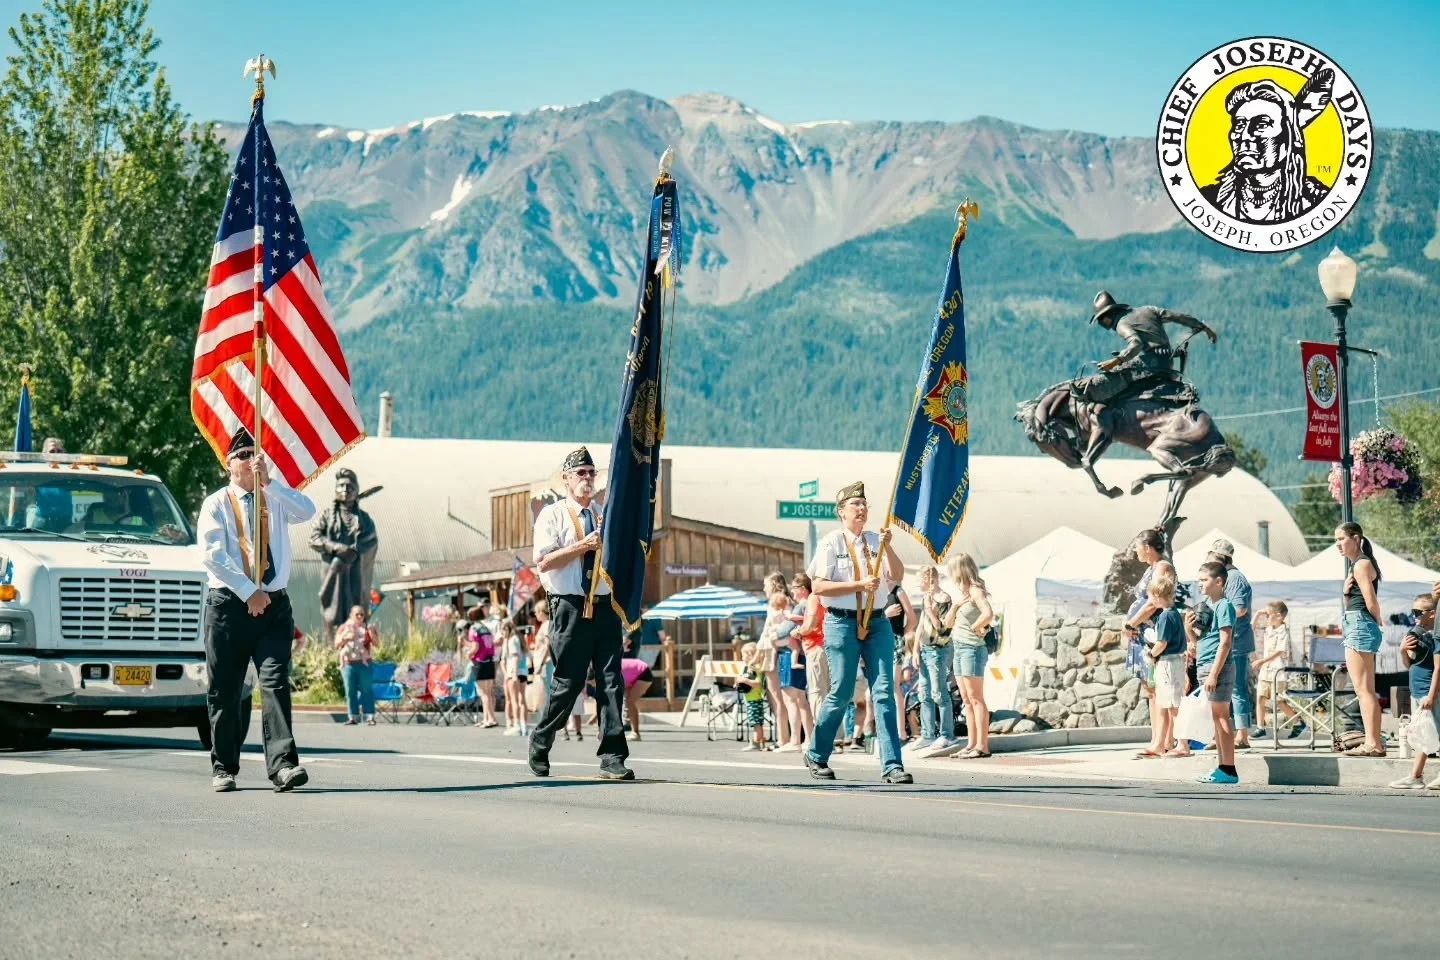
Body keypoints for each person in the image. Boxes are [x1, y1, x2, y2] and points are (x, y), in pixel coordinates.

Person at [197, 427, 317, 793]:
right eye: (243, 455)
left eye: (255, 454)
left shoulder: (274, 498)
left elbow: (307, 510)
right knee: (226, 689)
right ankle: (224, 766)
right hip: (230, 605)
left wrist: (272, 483)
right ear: (228, 464)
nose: (251, 461)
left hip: (274, 606)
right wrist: (249, 591)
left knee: (275, 683)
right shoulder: (216, 503)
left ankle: (283, 766)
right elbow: (212, 556)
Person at [528, 447, 631, 780]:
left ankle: (613, 755)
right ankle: (542, 739)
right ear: (566, 479)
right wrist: (583, 546)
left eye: (591, 473)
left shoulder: (606, 514)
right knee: (568, 683)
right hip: (569, 605)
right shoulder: (553, 515)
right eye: (580, 473)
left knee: (611, 681)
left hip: (603, 605)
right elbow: (544, 562)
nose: (587, 479)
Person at [803, 482, 911, 784]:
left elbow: (897, 576)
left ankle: (892, 764)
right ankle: (816, 754)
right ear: (842, 512)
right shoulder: (831, 543)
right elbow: (819, 586)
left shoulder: (876, 540)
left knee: (884, 691)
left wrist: (888, 546)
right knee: (840, 691)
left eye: (864, 504)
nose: (861, 509)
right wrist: (858, 586)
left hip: (877, 622)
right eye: (855, 505)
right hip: (841, 622)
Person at [1122, 528, 1177, 758]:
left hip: (1153, 632)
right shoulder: (1152, 569)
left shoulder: (1163, 567)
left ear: (1147, 547)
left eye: (1137, 547)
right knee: (1151, 689)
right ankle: (1157, 738)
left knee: (1158, 688)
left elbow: (1154, 601)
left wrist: (1131, 623)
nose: (1135, 552)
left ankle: (1163, 740)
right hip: (1144, 632)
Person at [1185, 561, 1239, 784]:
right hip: (1205, 665)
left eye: (1204, 580)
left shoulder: (1224, 606)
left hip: (1219, 668)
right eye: (1199, 580)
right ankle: (1222, 767)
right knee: (1216, 718)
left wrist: (1214, 674)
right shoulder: (1207, 606)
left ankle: (1228, 768)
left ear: (1219, 582)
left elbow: (1225, 642)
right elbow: (1203, 642)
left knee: (1221, 716)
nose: (1200, 584)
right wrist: (1189, 632)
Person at [1335, 521, 1386, 757]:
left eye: (1341, 539)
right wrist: (1346, 593)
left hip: (1360, 623)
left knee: (1363, 690)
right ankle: (1373, 742)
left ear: (1356, 538)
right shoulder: (1358, 565)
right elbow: (1356, 601)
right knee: (1366, 689)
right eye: (1336, 540)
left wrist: (1378, 619)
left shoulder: (1361, 564)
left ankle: (1372, 743)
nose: (1338, 545)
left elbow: (1370, 599)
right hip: (1357, 622)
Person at [1206, 539, 1257, 750]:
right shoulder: (1227, 577)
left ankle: (1242, 735)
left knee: (1236, 689)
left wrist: (1217, 619)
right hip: (1228, 641)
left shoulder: (1234, 578)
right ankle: (1228, 734)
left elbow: (1239, 609)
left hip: (1235, 642)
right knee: (1227, 690)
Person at [944, 553, 995, 759]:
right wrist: (955, 606)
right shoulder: (960, 594)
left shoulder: (975, 590)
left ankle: (982, 746)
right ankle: (971, 744)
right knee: (966, 699)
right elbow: (947, 624)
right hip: (958, 647)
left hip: (972, 648)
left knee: (976, 698)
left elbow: (988, 613)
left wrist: (976, 627)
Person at [909, 565, 961, 758]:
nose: (918, 584)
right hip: (925, 649)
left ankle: (948, 733)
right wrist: (915, 650)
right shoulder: (925, 599)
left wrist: (931, 610)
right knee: (925, 693)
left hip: (938, 650)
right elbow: (921, 624)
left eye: (920, 580)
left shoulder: (945, 599)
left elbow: (943, 628)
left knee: (939, 692)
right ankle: (928, 733)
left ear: (930, 580)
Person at [1390, 594, 1440, 790]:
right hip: (1418, 689)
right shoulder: (1417, 634)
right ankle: (1415, 776)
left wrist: (1431, 695)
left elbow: (1438, 668)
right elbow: (1410, 664)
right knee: (1423, 733)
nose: (1415, 616)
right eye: (1413, 612)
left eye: (1419, 612)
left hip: (1429, 690)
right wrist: (1403, 651)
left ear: (1433, 614)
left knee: (1433, 731)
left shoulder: (1436, 636)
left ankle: (1415, 776)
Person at [1141, 574, 1186, 758]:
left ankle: (1182, 744)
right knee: (1166, 704)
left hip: (1168, 663)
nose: (1151, 600)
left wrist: (1151, 654)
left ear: (1159, 596)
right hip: (1172, 662)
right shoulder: (1173, 613)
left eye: (1152, 596)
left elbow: (1162, 643)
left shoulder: (1166, 616)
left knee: (1174, 705)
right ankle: (1161, 744)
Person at [769, 590, 812, 753]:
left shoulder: (797, 608)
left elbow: (782, 632)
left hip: (788, 654)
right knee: (801, 700)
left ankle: (795, 740)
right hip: (801, 654)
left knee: (790, 699)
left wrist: (774, 635)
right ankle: (808, 738)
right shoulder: (804, 606)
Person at [1252, 601, 1302, 739]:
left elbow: (1280, 651)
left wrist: (1262, 661)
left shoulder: (1283, 632)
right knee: (1260, 697)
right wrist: (1257, 614)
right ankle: (1260, 727)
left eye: (1268, 615)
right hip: (1266, 671)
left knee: (1279, 701)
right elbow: (1251, 628)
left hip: (1277, 672)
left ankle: (1298, 722)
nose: (1266, 618)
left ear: (1279, 616)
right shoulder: (1269, 629)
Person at [757, 576, 792, 748]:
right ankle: (784, 737)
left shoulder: (777, 602)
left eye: (765, 585)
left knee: (778, 699)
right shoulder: (786, 601)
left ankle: (783, 738)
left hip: (773, 651)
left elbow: (770, 630)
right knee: (783, 698)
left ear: (772, 584)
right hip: (779, 650)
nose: (764, 589)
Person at [790, 574, 828, 726]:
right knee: (830, 694)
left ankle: (821, 736)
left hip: (816, 647)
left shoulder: (814, 597)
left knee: (817, 693)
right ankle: (834, 736)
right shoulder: (827, 597)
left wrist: (798, 632)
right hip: (826, 646)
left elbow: (811, 624)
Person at [333, 604, 376, 726]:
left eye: (362, 614)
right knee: (350, 691)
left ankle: (370, 716)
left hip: (364, 663)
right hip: (348, 664)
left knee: (366, 690)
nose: (359, 616)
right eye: (357, 614)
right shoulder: (344, 627)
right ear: (351, 615)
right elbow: (336, 644)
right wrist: (347, 638)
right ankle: (353, 717)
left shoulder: (368, 627)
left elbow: (377, 643)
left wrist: (372, 634)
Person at [463, 608, 499, 728]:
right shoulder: (485, 628)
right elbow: (484, 644)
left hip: (480, 662)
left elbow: (476, 647)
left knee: (483, 693)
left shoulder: (474, 629)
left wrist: (468, 654)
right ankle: (490, 718)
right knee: (488, 693)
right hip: (489, 661)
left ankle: (487, 720)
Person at [500, 619, 530, 737]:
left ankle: (516, 726)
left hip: (514, 672)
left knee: (514, 699)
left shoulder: (512, 640)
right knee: (522, 699)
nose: (502, 633)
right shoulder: (519, 638)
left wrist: (512, 673)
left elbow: (515, 657)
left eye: (502, 630)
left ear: (507, 629)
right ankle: (524, 726)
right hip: (522, 672)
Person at [737, 641, 768, 751]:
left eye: (743, 655)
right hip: (751, 699)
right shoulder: (749, 668)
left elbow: (758, 683)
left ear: (750, 655)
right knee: (756, 721)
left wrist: (745, 680)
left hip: (754, 699)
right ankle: (760, 741)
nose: (742, 658)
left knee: (755, 722)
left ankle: (756, 742)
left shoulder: (756, 668)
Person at [620, 656, 654, 742]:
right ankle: (634, 731)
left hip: (643, 672)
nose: (593, 686)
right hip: (632, 675)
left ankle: (636, 733)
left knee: (629, 702)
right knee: (627, 700)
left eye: (592, 684)